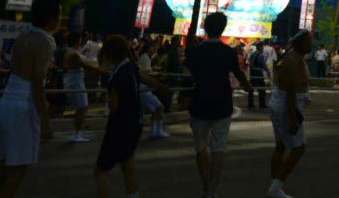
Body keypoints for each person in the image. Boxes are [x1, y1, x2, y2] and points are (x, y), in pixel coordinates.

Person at [0, 0, 60, 198]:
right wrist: (45, 122)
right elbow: (37, 84)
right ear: (51, 18)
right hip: (23, 106)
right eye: (58, 15)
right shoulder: (45, 42)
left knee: (5, 166)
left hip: (7, 101)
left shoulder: (23, 37)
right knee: (18, 169)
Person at [93, 35, 169, 198]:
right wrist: (162, 87)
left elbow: (114, 107)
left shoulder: (116, 76)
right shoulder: (131, 67)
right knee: (127, 163)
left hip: (119, 127)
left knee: (101, 171)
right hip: (135, 123)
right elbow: (149, 81)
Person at [186, 12, 245, 198]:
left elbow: (191, 71)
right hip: (222, 104)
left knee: (200, 147)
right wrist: (249, 86)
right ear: (223, 29)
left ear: (205, 27)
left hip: (199, 103)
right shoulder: (228, 52)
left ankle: (205, 187)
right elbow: (238, 73)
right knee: (218, 149)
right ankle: (212, 191)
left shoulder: (196, 51)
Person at [267, 29, 313, 198]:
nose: (311, 44)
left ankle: (275, 186)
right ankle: (275, 188)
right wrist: (293, 120)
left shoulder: (296, 57)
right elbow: (291, 93)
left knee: (280, 146)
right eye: (308, 41)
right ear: (300, 43)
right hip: (287, 108)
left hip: (283, 106)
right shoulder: (293, 60)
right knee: (299, 147)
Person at [63, 31, 105, 143]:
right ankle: (76, 134)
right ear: (78, 40)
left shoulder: (72, 51)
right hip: (75, 82)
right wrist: (101, 70)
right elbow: (86, 66)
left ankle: (77, 132)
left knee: (81, 107)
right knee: (82, 107)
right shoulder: (74, 54)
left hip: (74, 80)